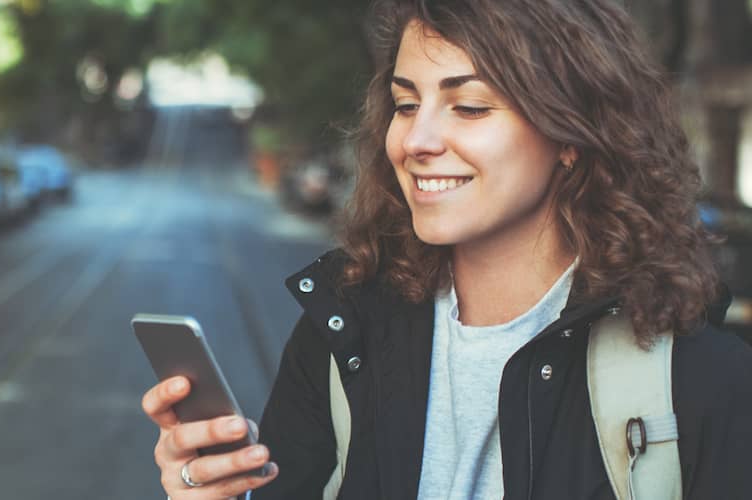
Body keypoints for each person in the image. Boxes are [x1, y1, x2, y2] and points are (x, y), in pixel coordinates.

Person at [141, 0, 752, 498]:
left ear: (571, 135)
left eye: (470, 106)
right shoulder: (340, 334)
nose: (417, 139)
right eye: (407, 105)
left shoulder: (701, 380)